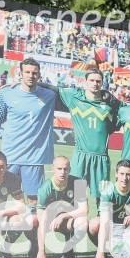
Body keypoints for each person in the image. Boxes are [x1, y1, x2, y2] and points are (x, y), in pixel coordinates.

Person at [0, 58, 57, 212]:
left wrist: (41, 85)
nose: (31, 75)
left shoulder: (49, 96)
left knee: (34, 199)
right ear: (20, 73)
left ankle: (32, 234)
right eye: (27, 72)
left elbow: (62, 91)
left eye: (34, 73)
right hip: (9, 156)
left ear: (39, 75)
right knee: (0, 196)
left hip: (34, 159)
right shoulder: (5, 94)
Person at [39, 70, 116, 204]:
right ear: (86, 82)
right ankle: (75, 222)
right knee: (77, 196)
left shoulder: (110, 104)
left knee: (103, 199)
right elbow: (52, 88)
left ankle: (102, 223)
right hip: (81, 158)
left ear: (102, 83)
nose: (95, 83)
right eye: (92, 80)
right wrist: (21, 84)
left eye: (98, 81)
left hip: (101, 159)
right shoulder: (74, 96)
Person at [34, 156, 88, 258]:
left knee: (82, 222)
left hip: (66, 221)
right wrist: (41, 250)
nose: (63, 172)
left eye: (65, 169)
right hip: (49, 223)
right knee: (33, 221)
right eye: (59, 169)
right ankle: (35, 250)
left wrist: (63, 216)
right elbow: (42, 221)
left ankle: (68, 250)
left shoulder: (78, 182)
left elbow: (84, 209)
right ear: (53, 168)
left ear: (70, 169)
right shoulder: (46, 188)